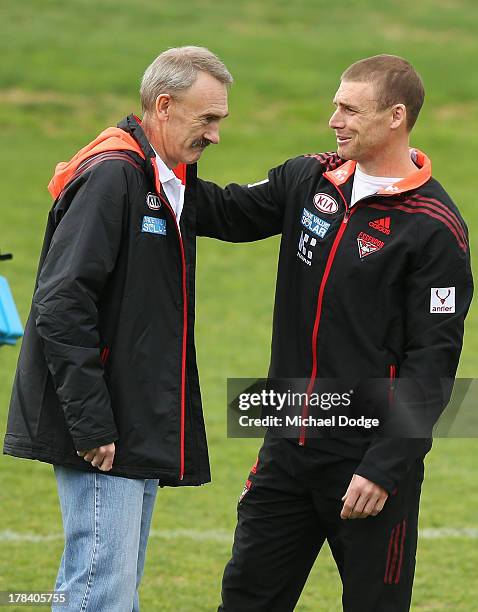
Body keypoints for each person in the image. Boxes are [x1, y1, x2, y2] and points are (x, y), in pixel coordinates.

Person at [196, 55, 473, 611]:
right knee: (245, 600)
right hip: (286, 447)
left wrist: (384, 467)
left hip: (368, 465)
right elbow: (222, 212)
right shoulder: (310, 178)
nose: (334, 120)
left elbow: (432, 364)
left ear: (396, 117)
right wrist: (145, 158)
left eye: (350, 109)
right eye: (335, 105)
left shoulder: (434, 228)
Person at [3, 46, 231, 611]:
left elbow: (241, 211)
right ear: (164, 106)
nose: (216, 135)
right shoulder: (114, 177)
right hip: (105, 428)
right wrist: (91, 424)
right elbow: (59, 304)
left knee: (113, 587)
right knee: (98, 590)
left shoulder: (161, 178)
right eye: (208, 119)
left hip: (128, 422)